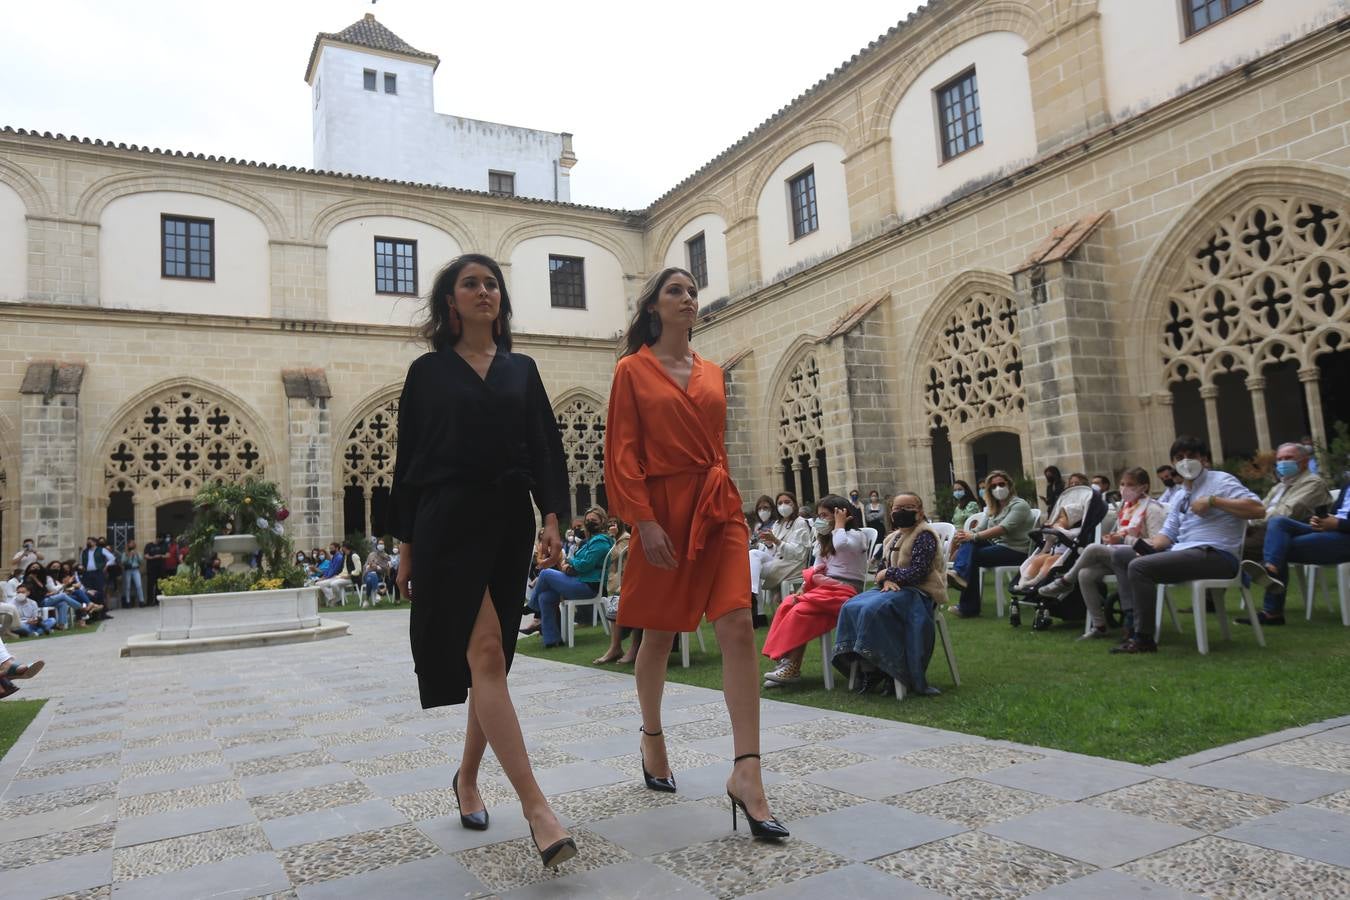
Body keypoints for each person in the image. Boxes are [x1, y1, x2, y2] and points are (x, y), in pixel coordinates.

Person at [389, 253, 575, 867]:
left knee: (488, 663)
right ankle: (537, 808)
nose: (483, 291)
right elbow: (409, 464)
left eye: (491, 283)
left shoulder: (522, 370)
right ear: (451, 301)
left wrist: (551, 516)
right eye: (470, 283)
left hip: (505, 524)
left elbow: (546, 447)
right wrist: (407, 546)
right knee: (488, 653)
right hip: (446, 522)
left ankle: (467, 777)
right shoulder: (428, 373)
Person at [604, 266, 787, 840]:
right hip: (662, 509)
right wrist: (644, 521)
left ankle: (747, 772)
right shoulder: (631, 370)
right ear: (654, 307)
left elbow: (717, 447)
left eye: (691, 291)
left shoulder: (712, 372)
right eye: (675, 291)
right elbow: (621, 452)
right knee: (656, 634)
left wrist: (729, 506)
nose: (688, 298)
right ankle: (652, 738)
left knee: (737, 624)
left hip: (716, 504)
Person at [1111, 436, 1263, 654]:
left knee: (1139, 567)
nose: (1186, 462)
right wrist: (1132, 542)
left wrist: (1214, 501)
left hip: (1216, 555)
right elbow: (1165, 536)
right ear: (1173, 464)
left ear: (1204, 459)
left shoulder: (1221, 481)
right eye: (1179, 458)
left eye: (1191, 456)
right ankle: (1130, 623)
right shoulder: (1181, 495)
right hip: (1185, 552)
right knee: (1121, 556)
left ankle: (1144, 638)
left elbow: (1258, 510)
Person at [833, 492, 948, 696]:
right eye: (897, 509)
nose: (902, 512)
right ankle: (867, 667)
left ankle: (889, 670)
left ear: (920, 512)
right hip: (891, 588)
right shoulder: (892, 537)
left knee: (872, 610)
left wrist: (889, 574)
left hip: (919, 592)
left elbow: (918, 572)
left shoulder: (924, 535)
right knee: (850, 606)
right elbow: (881, 568)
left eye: (908, 508)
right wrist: (885, 578)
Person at [1039, 467, 1168, 638]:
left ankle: (1065, 581)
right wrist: (1115, 538)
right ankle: (1099, 625)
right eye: (1122, 484)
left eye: (1130, 485)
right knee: (1085, 574)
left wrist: (1123, 540)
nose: (1124, 489)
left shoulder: (1152, 508)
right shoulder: (1126, 507)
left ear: (1144, 487)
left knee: (1092, 548)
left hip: (1142, 558)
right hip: (1120, 557)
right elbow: (1123, 534)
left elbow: (1156, 543)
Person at [762, 495, 868, 686]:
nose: (820, 520)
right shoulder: (824, 540)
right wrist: (803, 587)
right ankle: (786, 661)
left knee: (801, 611)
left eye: (826, 515)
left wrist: (839, 525)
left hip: (845, 591)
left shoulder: (855, 536)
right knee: (788, 603)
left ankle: (792, 667)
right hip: (825, 589)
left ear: (842, 515)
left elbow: (841, 544)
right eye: (818, 516)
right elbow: (817, 567)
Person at [1240, 467, 1350, 625]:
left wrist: (1338, 524)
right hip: (1332, 530)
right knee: (1278, 523)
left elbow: (1341, 520)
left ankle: (1272, 609)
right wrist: (1323, 520)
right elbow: (1338, 512)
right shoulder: (1348, 483)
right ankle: (1270, 567)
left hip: (1345, 536)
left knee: (1279, 546)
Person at [523, 506, 614, 648]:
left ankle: (531, 606)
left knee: (546, 573)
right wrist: (569, 564)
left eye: (594, 520)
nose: (590, 522)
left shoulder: (600, 542)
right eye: (588, 520)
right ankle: (552, 640)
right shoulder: (589, 541)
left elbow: (584, 565)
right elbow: (580, 562)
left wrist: (570, 562)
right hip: (579, 581)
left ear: (602, 521)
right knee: (545, 597)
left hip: (589, 586)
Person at [949, 470, 1035, 616]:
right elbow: (980, 529)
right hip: (998, 547)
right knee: (970, 545)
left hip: (1017, 550)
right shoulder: (992, 507)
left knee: (973, 554)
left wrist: (972, 537)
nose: (998, 489)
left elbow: (1003, 529)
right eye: (993, 486)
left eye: (1001, 484)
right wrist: (965, 536)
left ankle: (965, 598)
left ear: (1009, 485)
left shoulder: (1019, 505)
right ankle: (961, 580)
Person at [1243, 442, 1329, 561]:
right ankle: (1261, 575)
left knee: (1233, 549)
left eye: (1289, 458)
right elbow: (1259, 509)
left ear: (1305, 461)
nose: (1283, 462)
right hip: (1263, 529)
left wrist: (1252, 521)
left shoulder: (1313, 483)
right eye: (1279, 459)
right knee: (1223, 541)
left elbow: (1288, 513)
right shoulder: (1279, 487)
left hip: (1291, 530)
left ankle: (1267, 574)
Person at [748, 492, 813, 601]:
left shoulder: (800, 523)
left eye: (787, 502)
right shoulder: (778, 524)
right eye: (780, 503)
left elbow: (797, 553)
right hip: (778, 561)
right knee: (752, 554)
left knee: (753, 567)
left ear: (795, 504)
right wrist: (769, 544)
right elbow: (774, 552)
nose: (783, 505)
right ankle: (753, 592)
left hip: (792, 564)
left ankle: (753, 595)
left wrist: (776, 541)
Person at [363, 540, 392, 604]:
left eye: (382, 544)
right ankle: (378, 593)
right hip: (368, 573)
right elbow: (365, 566)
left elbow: (386, 569)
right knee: (371, 574)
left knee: (369, 579)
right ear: (377, 545)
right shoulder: (371, 554)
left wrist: (378, 567)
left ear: (384, 546)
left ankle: (366, 600)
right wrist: (369, 566)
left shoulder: (386, 556)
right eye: (379, 543)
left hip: (379, 576)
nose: (381, 545)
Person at [121, 540, 144, 608]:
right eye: (130, 544)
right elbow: (122, 562)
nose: (131, 545)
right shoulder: (125, 553)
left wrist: (136, 555)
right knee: (127, 586)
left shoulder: (137, 552)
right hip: (128, 570)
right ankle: (128, 602)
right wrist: (128, 556)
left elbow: (141, 561)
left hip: (135, 569)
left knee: (139, 585)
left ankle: (141, 601)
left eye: (133, 544)